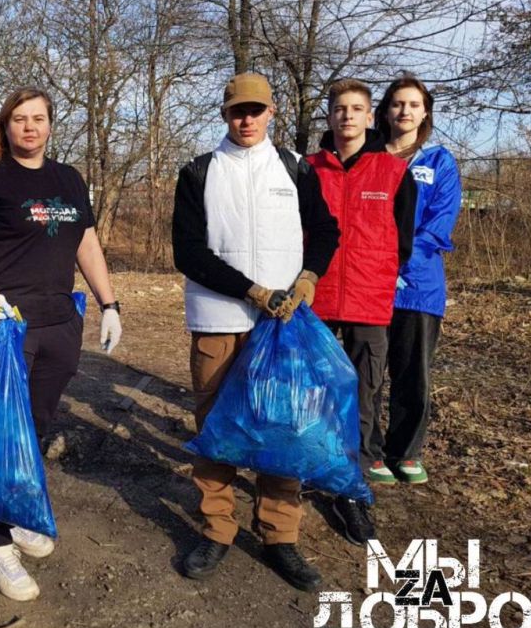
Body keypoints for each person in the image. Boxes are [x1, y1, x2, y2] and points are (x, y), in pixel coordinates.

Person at [0, 86, 123, 602]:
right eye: (19, 119)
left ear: (51, 124)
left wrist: (110, 303)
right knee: (1, 431)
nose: (30, 127)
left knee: (36, 425)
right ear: (5, 127)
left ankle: (17, 511)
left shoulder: (67, 179)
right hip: (7, 323)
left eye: (39, 119)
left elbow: (86, 243)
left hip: (59, 323)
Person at [172, 72, 339, 592]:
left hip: (281, 326)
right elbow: (189, 252)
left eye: (255, 110)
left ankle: (279, 535)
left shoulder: (293, 168)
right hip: (219, 323)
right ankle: (217, 528)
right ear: (224, 114)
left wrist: (309, 275)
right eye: (236, 111)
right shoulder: (199, 171)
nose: (246, 119)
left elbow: (327, 229)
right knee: (218, 430)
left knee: (284, 430)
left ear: (271, 114)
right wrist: (252, 291)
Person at [306, 78, 417, 545]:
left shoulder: (393, 172)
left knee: (362, 403)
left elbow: (404, 244)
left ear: (371, 117)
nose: (347, 116)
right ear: (329, 117)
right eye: (339, 109)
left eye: (357, 109)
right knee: (312, 397)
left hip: (368, 307)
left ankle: (350, 492)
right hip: (316, 303)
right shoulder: (307, 169)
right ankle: (305, 473)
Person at [376, 76, 461, 485]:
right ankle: (368, 449)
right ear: (386, 111)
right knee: (367, 371)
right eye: (397, 104)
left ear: (425, 111)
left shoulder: (439, 161)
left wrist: (401, 264)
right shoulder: (371, 157)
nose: (404, 111)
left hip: (418, 285)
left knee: (412, 373)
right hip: (370, 282)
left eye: (413, 104)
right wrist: (376, 264)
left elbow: (440, 222)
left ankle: (405, 451)